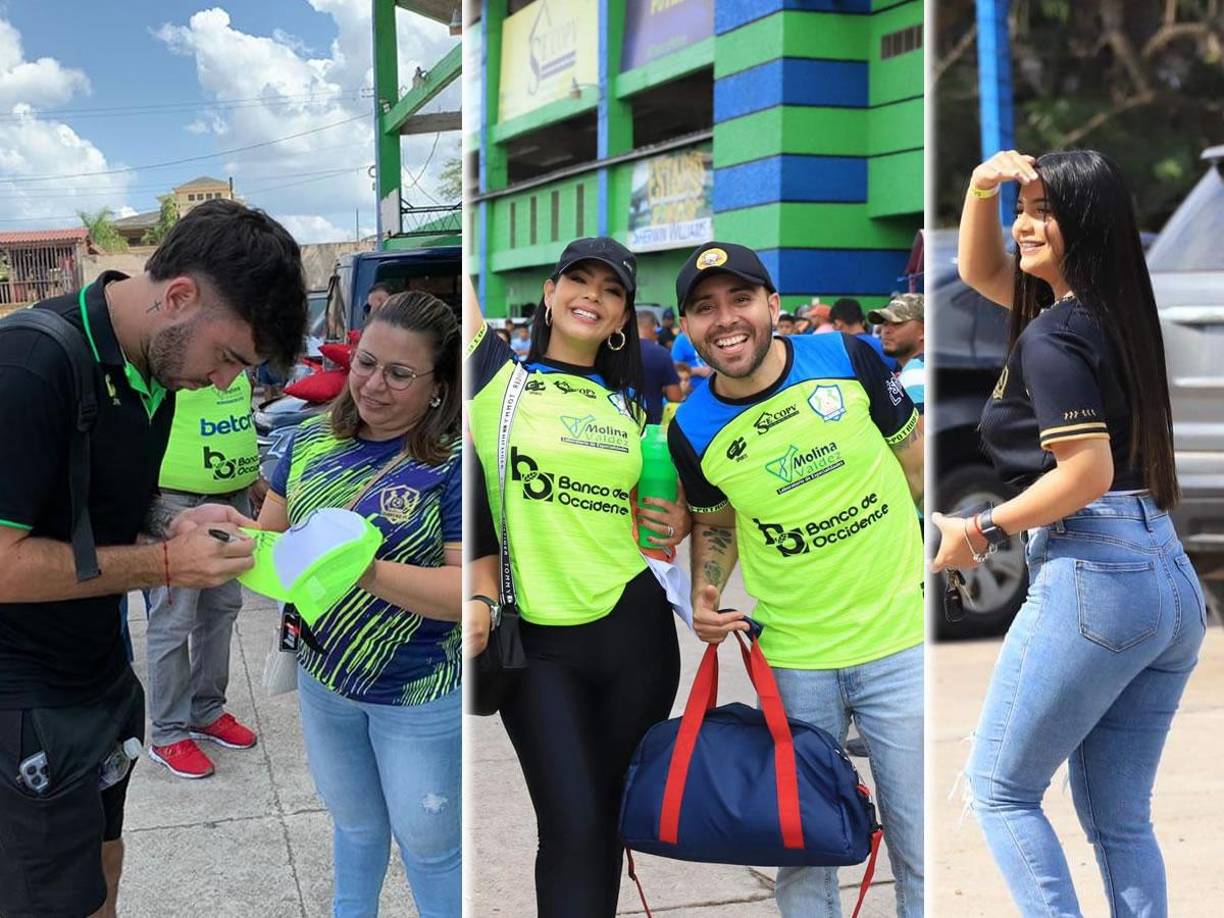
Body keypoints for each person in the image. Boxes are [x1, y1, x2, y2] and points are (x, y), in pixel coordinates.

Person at [0, 198, 306, 918]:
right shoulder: (31, 367)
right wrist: (167, 568)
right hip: (26, 706)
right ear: (178, 297)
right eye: (230, 358)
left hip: (100, 679)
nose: (229, 383)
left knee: (104, 866)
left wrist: (173, 519)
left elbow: (97, 504)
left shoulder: (152, 371)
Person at [933, 149, 1204, 917]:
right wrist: (982, 187)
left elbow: (1084, 473)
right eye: (1024, 206)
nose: (1024, 223)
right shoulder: (1114, 311)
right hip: (1166, 577)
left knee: (1000, 790)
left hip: (1097, 573)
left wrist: (980, 526)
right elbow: (986, 268)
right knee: (1120, 820)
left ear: (1085, 220)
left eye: (1044, 208)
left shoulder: (1054, 338)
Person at [667, 241, 925, 918]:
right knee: (805, 854)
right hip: (791, 662)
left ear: (772, 305)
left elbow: (918, 465)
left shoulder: (849, 358)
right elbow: (715, 524)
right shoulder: (690, 428)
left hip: (901, 644)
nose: (725, 320)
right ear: (688, 327)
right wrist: (704, 591)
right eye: (703, 308)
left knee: (921, 852)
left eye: (740, 299)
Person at [465, 237, 689, 917]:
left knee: (605, 823)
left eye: (612, 290)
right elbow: (465, 272)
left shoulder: (636, 413)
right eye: (579, 281)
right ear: (550, 295)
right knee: (569, 821)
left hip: (635, 637)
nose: (593, 296)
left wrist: (675, 518)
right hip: (537, 646)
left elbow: (675, 516)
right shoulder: (498, 381)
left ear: (623, 317)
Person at [258, 290, 462, 916]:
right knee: (354, 828)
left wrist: (362, 571)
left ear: (437, 386)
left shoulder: (455, 465)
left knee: (429, 848)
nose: (374, 386)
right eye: (366, 363)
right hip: (324, 679)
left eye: (400, 373)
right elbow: (269, 538)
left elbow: (465, 593)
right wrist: (222, 540)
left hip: (417, 694)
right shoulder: (309, 439)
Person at [145, 374, 263, 779]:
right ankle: (168, 732)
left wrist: (253, 477)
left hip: (233, 498)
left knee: (223, 610)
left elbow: (237, 418)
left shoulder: (240, 357)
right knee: (174, 621)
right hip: (178, 503)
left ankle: (206, 709)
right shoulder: (177, 358)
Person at [869, 293, 925, 418]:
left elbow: (919, 436)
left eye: (897, 323)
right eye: (885, 323)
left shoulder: (915, 373)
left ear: (924, 331)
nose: (886, 330)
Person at [637, 311, 683, 424]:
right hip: (650, 422)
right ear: (654, 327)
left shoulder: (618, 351)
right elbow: (675, 397)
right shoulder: (661, 354)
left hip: (620, 420)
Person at [830, 297, 898, 370]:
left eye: (833, 324)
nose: (832, 328)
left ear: (838, 323)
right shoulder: (884, 345)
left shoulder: (845, 349)